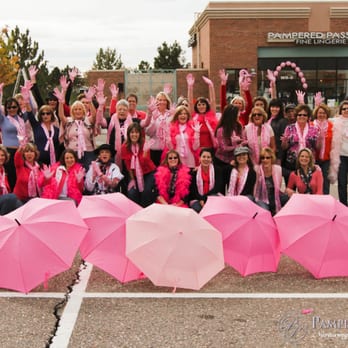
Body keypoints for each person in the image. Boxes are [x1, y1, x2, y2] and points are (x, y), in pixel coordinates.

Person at [281, 104, 320, 183]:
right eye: (299, 114)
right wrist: (284, 141)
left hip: (308, 163)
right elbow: (284, 147)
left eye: (304, 115)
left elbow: (318, 147)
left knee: (307, 191)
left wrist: (321, 138)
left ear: (308, 117)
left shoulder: (314, 129)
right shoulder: (289, 128)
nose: (302, 116)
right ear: (296, 116)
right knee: (291, 190)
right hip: (292, 163)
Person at [121, 122, 156, 207]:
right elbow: (128, 165)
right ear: (129, 134)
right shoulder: (124, 147)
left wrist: (144, 154)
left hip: (148, 172)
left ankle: (145, 210)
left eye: (136, 132)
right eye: (132, 132)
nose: (134, 135)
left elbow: (146, 163)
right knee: (132, 192)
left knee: (146, 191)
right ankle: (134, 210)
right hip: (134, 174)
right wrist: (133, 179)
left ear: (140, 134)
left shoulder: (144, 144)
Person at [0, 98, 30, 190]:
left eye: (14, 107)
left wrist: (27, 97)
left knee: (21, 176)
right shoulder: (3, 119)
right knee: (11, 176)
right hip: (9, 152)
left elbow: (32, 109)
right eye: (9, 107)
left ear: (18, 107)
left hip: (22, 151)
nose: (11, 109)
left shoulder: (22, 119)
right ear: (6, 109)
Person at [214, 104, 245, 189]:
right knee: (221, 186)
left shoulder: (239, 126)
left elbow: (243, 139)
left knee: (232, 185)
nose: (239, 115)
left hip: (234, 161)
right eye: (237, 113)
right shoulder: (221, 130)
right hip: (221, 161)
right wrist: (237, 145)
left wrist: (242, 142)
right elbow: (223, 148)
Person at [187, 73, 218, 151]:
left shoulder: (211, 114)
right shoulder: (194, 115)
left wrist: (211, 86)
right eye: (199, 104)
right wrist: (190, 87)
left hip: (210, 148)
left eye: (203, 104)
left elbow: (213, 101)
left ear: (207, 105)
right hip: (197, 149)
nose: (201, 106)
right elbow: (190, 102)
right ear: (196, 106)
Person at [254, 147, 289, 215]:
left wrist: (289, 189)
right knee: (265, 212)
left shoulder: (278, 169)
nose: (265, 160)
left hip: (275, 197)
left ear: (271, 158)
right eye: (263, 158)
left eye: (267, 157)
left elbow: (291, 174)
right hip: (261, 198)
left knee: (289, 199)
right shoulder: (256, 169)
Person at [190, 148, 225, 212]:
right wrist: (200, 199)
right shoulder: (194, 172)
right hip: (198, 198)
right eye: (204, 157)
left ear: (211, 159)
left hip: (213, 197)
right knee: (197, 208)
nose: (206, 159)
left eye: (208, 157)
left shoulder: (218, 170)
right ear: (199, 158)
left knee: (214, 208)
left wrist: (204, 198)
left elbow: (217, 188)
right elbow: (193, 190)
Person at [145, 91, 173, 166]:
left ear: (167, 102)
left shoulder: (171, 114)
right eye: (160, 100)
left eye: (164, 100)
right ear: (156, 102)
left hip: (168, 149)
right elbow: (148, 133)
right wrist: (153, 120)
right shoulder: (151, 113)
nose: (162, 102)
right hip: (155, 149)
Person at [328, 100, 348, 205]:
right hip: (341, 157)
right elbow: (322, 118)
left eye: (347, 108)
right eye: (344, 108)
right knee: (342, 182)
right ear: (340, 110)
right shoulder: (335, 121)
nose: (346, 110)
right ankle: (344, 205)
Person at [312, 103, 333, 194]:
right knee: (313, 182)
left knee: (325, 183)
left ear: (327, 114)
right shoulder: (311, 125)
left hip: (326, 159)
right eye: (320, 113)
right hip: (313, 159)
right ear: (316, 114)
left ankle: (325, 203)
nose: (321, 115)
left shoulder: (331, 126)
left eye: (324, 113)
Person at [0, 145, 23, 214]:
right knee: (12, 197)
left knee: (16, 202)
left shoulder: (3, 171)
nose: (1, 157)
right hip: (4, 199)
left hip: (3, 200)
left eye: (3, 155)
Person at [267, 98, 288, 164]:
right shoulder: (267, 119)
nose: (274, 109)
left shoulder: (283, 121)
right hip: (266, 151)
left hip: (277, 153)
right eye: (273, 107)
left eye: (277, 107)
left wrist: (279, 158)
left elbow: (282, 140)